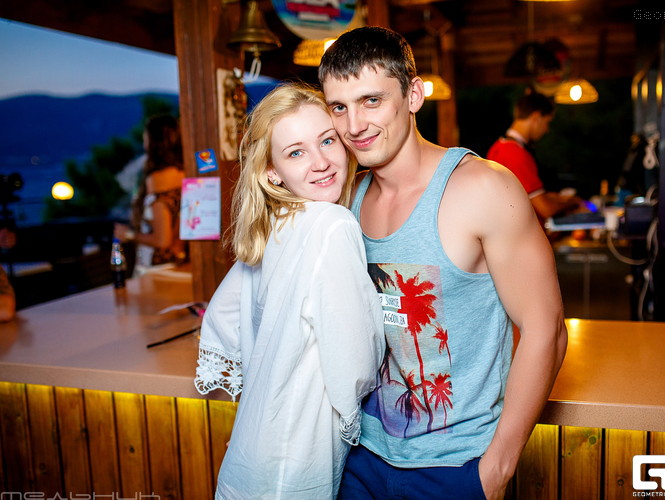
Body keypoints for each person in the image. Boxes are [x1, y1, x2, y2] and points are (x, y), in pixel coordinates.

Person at [319, 26, 568, 499]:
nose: (354, 125)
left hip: (457, 466)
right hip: (360, 457)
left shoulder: (483, 188)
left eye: (371, 100)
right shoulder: (344, 199)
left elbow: (547, 329)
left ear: (413, 95)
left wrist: (496, 469)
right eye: (339, 107)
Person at [193, 82, 384, 499]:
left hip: (250, 449)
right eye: (296, 152)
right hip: (294, 460)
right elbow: (355, 362)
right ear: (271, 171)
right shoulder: (332, 224)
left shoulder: (276, 223)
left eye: (327, 141)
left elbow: (221, 319)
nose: (321, 162)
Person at [487, 90, 584, 222]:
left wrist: (553, 197)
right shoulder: (515, 153)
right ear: (536, 117)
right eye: (547, 122)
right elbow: (546, 209)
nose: (547, 130)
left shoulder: (498, 147)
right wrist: (573, 202)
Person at [114, 114, 186, 273]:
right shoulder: (184, 173)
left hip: (158, 265)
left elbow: (162, 240)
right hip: (179, 260)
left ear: (153, 141)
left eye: (145, 137)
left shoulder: (157, 180)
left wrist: (129, 234)